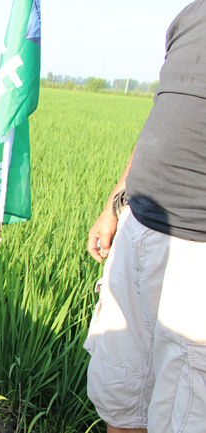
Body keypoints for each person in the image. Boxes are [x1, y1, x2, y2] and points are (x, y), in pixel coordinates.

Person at [85, 2, 206, 432]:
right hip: (139, 227)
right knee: (121, 396)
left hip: (197, 252)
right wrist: (115, 203)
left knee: (184, 413)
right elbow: (164, 116)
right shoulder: (192, 16)